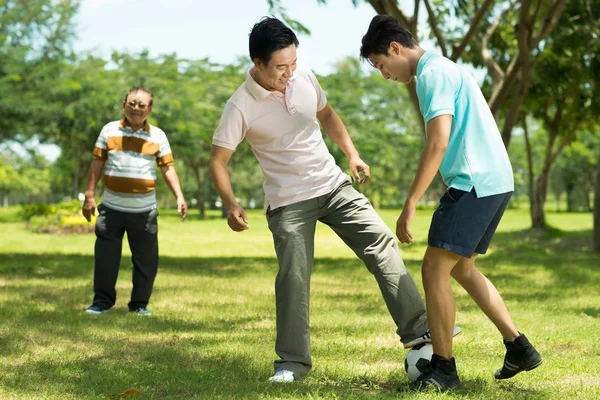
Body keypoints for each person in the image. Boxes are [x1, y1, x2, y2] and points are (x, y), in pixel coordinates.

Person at [209, 17, 460, 383]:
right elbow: (218, 160)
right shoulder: (240, 105)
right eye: (281, 67)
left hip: (332, 185)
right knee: (294, 276)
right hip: (288, 201)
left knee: (380, 241)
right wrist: (230, 203)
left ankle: (420, 328)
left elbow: (327, 114)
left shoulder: (304, 76)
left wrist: (352, 154)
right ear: (258, 63)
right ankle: (292, 363)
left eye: (293, 63)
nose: (289, 73)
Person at [360, 15, 542, 391]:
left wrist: (410, 202)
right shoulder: (444, 67)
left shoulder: (431, 74)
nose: (385, 75)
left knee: (433, 270)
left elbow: (438, 141)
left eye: (382, 65)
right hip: (495, 180)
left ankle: (443, 369)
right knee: (462, 269)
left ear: (395, 48)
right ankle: (518, 346)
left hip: (473, 182)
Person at [82, 87, 188, 316]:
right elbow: (96, 164)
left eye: (142, 105)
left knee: (145, 261)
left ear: (149, 109)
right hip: (111, 209)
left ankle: (139, 304)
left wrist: (179, 195)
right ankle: (101, 303)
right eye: (132, 103)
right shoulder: (109, 130)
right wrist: (89, 195)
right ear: (124, 104)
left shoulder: (158, 135)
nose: (136, 108)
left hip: (144, 210)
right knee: (105, 259)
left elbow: (167, 167)